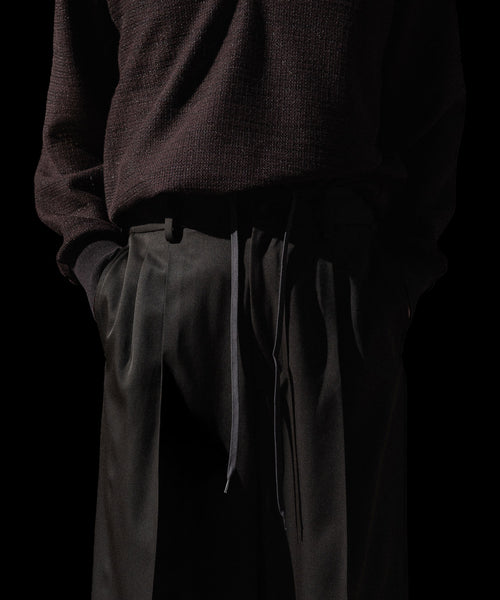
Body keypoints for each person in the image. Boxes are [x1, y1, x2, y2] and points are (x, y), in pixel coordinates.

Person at [34, 1, 466, 599]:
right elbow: (70, 118)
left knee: (344, 579)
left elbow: (432, 99)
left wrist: (393, 287)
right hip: (164, 290)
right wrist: (102, 271)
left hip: (332, 286)